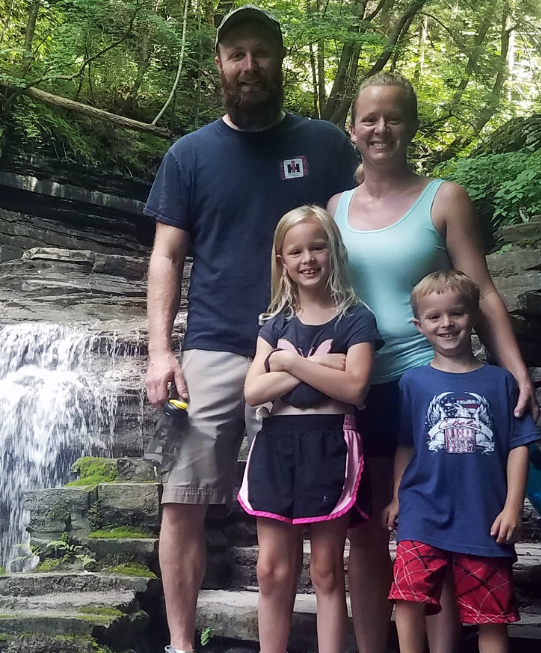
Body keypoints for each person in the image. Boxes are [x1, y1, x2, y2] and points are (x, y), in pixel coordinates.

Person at [144, 6, 358, 652]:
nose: (248, 65)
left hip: (311, 347)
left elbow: (357, 235)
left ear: (280, 59)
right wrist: (160, 349)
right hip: (215, 346)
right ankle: (182, 644)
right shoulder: (189, 155)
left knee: (328, 508)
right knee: (182, 498)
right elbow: (166, 255)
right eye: (236, 53)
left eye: (260, 52)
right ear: (218, 65)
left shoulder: (325, 146)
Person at [327, 71, 540, 653]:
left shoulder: (444, 198)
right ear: (353, 129)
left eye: (394, 117)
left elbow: (484, 290)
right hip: (359, 381)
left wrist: (515, 367)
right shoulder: (336, 206)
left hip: (432, 381)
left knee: (443, 529)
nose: (381, 128)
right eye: (370, 118)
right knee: (367, 529)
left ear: (412, 126)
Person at [241, 205, 380, 653]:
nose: (308, 259)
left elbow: (355, 387)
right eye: (296, 251)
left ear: (333, 250)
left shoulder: (356, 318)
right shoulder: (274, 323)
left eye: (317, 247)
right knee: (270, 569)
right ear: (282, 261)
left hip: (331, 445)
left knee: (325, 569)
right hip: (276, 445)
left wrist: (289, 363)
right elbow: (254, 392)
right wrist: (318, 366)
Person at [384, 270, 539, 653]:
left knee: (490, 614)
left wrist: (512, 507)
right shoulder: (412, 383)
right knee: (407, 594)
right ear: (418, 325)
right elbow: (406, 444)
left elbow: (519, 445)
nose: (446, 324)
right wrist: (397, 497)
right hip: (423, 509)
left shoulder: (501, 382)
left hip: (483, 516)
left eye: (456, 313)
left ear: (473, 316)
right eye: (434, 317)